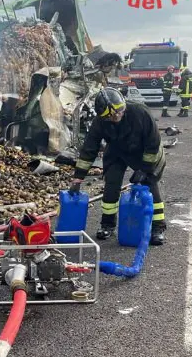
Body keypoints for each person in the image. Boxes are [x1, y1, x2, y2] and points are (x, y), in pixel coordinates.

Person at [69, 86, 166, 245]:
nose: (118, 116)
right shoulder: (100, 123)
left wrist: (144, 169)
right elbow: (89, 150)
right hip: (117, 150)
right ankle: (107, 225)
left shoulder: (140, 113)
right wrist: (77, 179)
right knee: (111, 184)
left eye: (120, 112)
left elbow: (153, 145)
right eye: (113, 116)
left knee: (149, 184)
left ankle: (158, 227)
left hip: (145, 151)